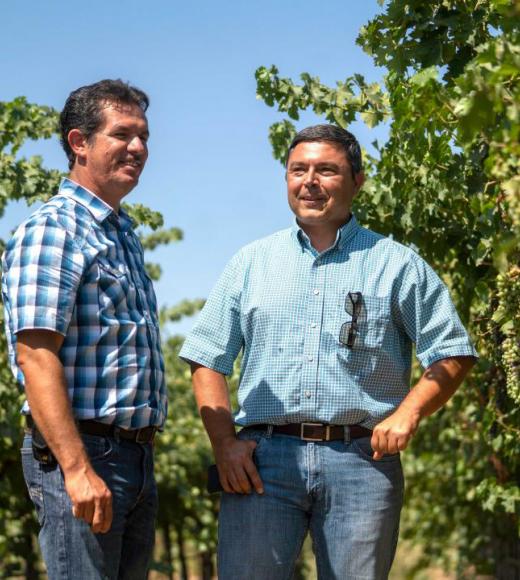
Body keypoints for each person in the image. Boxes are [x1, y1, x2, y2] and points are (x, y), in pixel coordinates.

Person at [179, 124, 477, 579]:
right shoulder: (250, 263)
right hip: (261, 462)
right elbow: (207, 358)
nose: (309, 181)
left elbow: (452, 352)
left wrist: (408, 414)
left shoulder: (397, 263)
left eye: (327, 170)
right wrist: (224, 444)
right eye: (299, 170)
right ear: (286, 178)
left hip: (361, 463)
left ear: (357, 181)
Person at [2, 79, 166, 579]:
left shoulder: (122, 234)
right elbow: (35, 356)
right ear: (79, 142)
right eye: (122, 134)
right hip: (85, 455)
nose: (138, 148)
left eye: (143, 136)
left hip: (134, 458)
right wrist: (76, 469)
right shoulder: (54, 229)